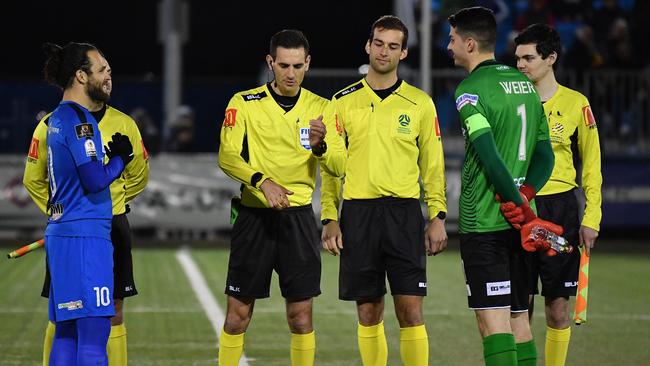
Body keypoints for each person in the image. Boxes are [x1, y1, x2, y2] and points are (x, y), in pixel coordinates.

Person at [320, 15, 447, 366]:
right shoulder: (341, 102)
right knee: (368, 311)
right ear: (368, 45)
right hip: (358, 214)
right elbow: (331, 167)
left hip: (404, 215)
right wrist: (330, 216)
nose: (384, 51)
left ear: (403, 52)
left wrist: (437, 215)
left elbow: (432, 167)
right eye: (379, 43)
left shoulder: (420, 103)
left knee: (410, 309)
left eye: (393, 46)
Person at [217, 29, 346, 366]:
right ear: (270, 62)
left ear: (308, 64)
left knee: (301, 319)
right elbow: (228, 156)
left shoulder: (322, 107)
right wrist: (262, 181)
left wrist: (320, 146)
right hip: (254, 218)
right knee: (237, 317)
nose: (291, 73)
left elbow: (338, 165)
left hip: (299, 221)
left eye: (298, 65)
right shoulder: (243, 102)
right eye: (284, 65)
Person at [23, 44, 149, 366]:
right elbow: (94, 179)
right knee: (93, 339)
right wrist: (119, 158)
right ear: (81, 75)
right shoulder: (81, 122)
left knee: (66, 333)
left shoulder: (57, 118)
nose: (108, 73)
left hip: (62, 234)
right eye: (101, 68)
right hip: (87, 239)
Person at [447, 7, 559, 366]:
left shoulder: (470, 90)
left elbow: (489, 155)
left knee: (492, 321)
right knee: (519, 320)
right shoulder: (525, 84)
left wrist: (519, 207)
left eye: (451, 40)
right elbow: (545, 155)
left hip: (486, 221)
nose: (448, 47)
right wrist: (526, 198)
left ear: (468, 43)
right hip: (523, 224)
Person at [514, 23, 602, 366]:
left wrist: (591, 217)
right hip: (519, 209)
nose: (520, 65)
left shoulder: (576, 104)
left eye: (528, 58)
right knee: (519, 304)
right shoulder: (512, 102)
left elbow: (592, 165)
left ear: (550, 58)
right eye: (517, 58)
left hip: (560, 211)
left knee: (557, 303)